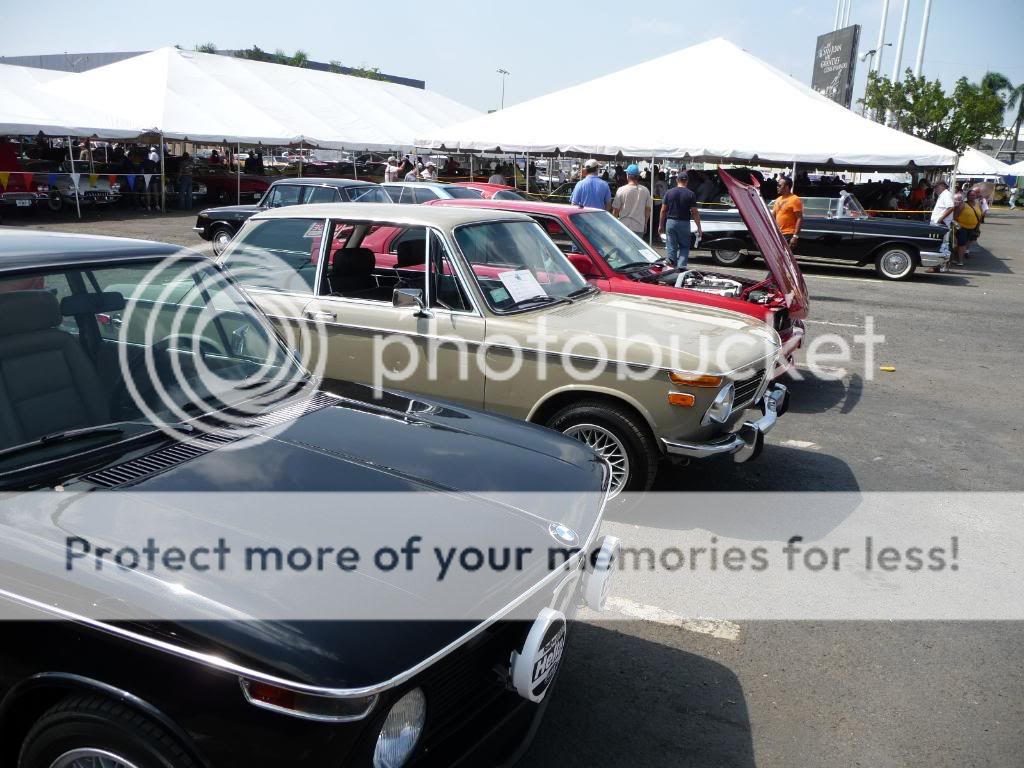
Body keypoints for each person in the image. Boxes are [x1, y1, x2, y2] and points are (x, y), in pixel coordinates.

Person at [659, 171, 702, 273]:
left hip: (671, 222)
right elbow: (694, 212)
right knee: (684, 246)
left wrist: (660, 225)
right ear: (687, 181)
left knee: (671, 246)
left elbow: (663, 210)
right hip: (684, 223)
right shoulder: (691, 194)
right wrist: (699, 227)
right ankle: (681, 269)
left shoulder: (669, 192)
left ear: (677, 180)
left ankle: (670, 268)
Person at [612, 164, 653, 238]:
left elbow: (616, 210)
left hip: (624, 226)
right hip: (639, 226)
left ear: (627, 175)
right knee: (637, 249)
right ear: (638, 176)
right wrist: (645, 223)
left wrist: (614, 225)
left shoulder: (621, 190)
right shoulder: (645, 190)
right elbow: (648, 209)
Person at [773, 176, 804, 247]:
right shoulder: (778, 199)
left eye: (779, 185)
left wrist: (795, 236)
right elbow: (773, 217)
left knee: (784, 257)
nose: (777, 187)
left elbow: (800, 218)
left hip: (789, 234)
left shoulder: (795, 199)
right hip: (778, 234)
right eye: (777, 185)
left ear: (787, 187)